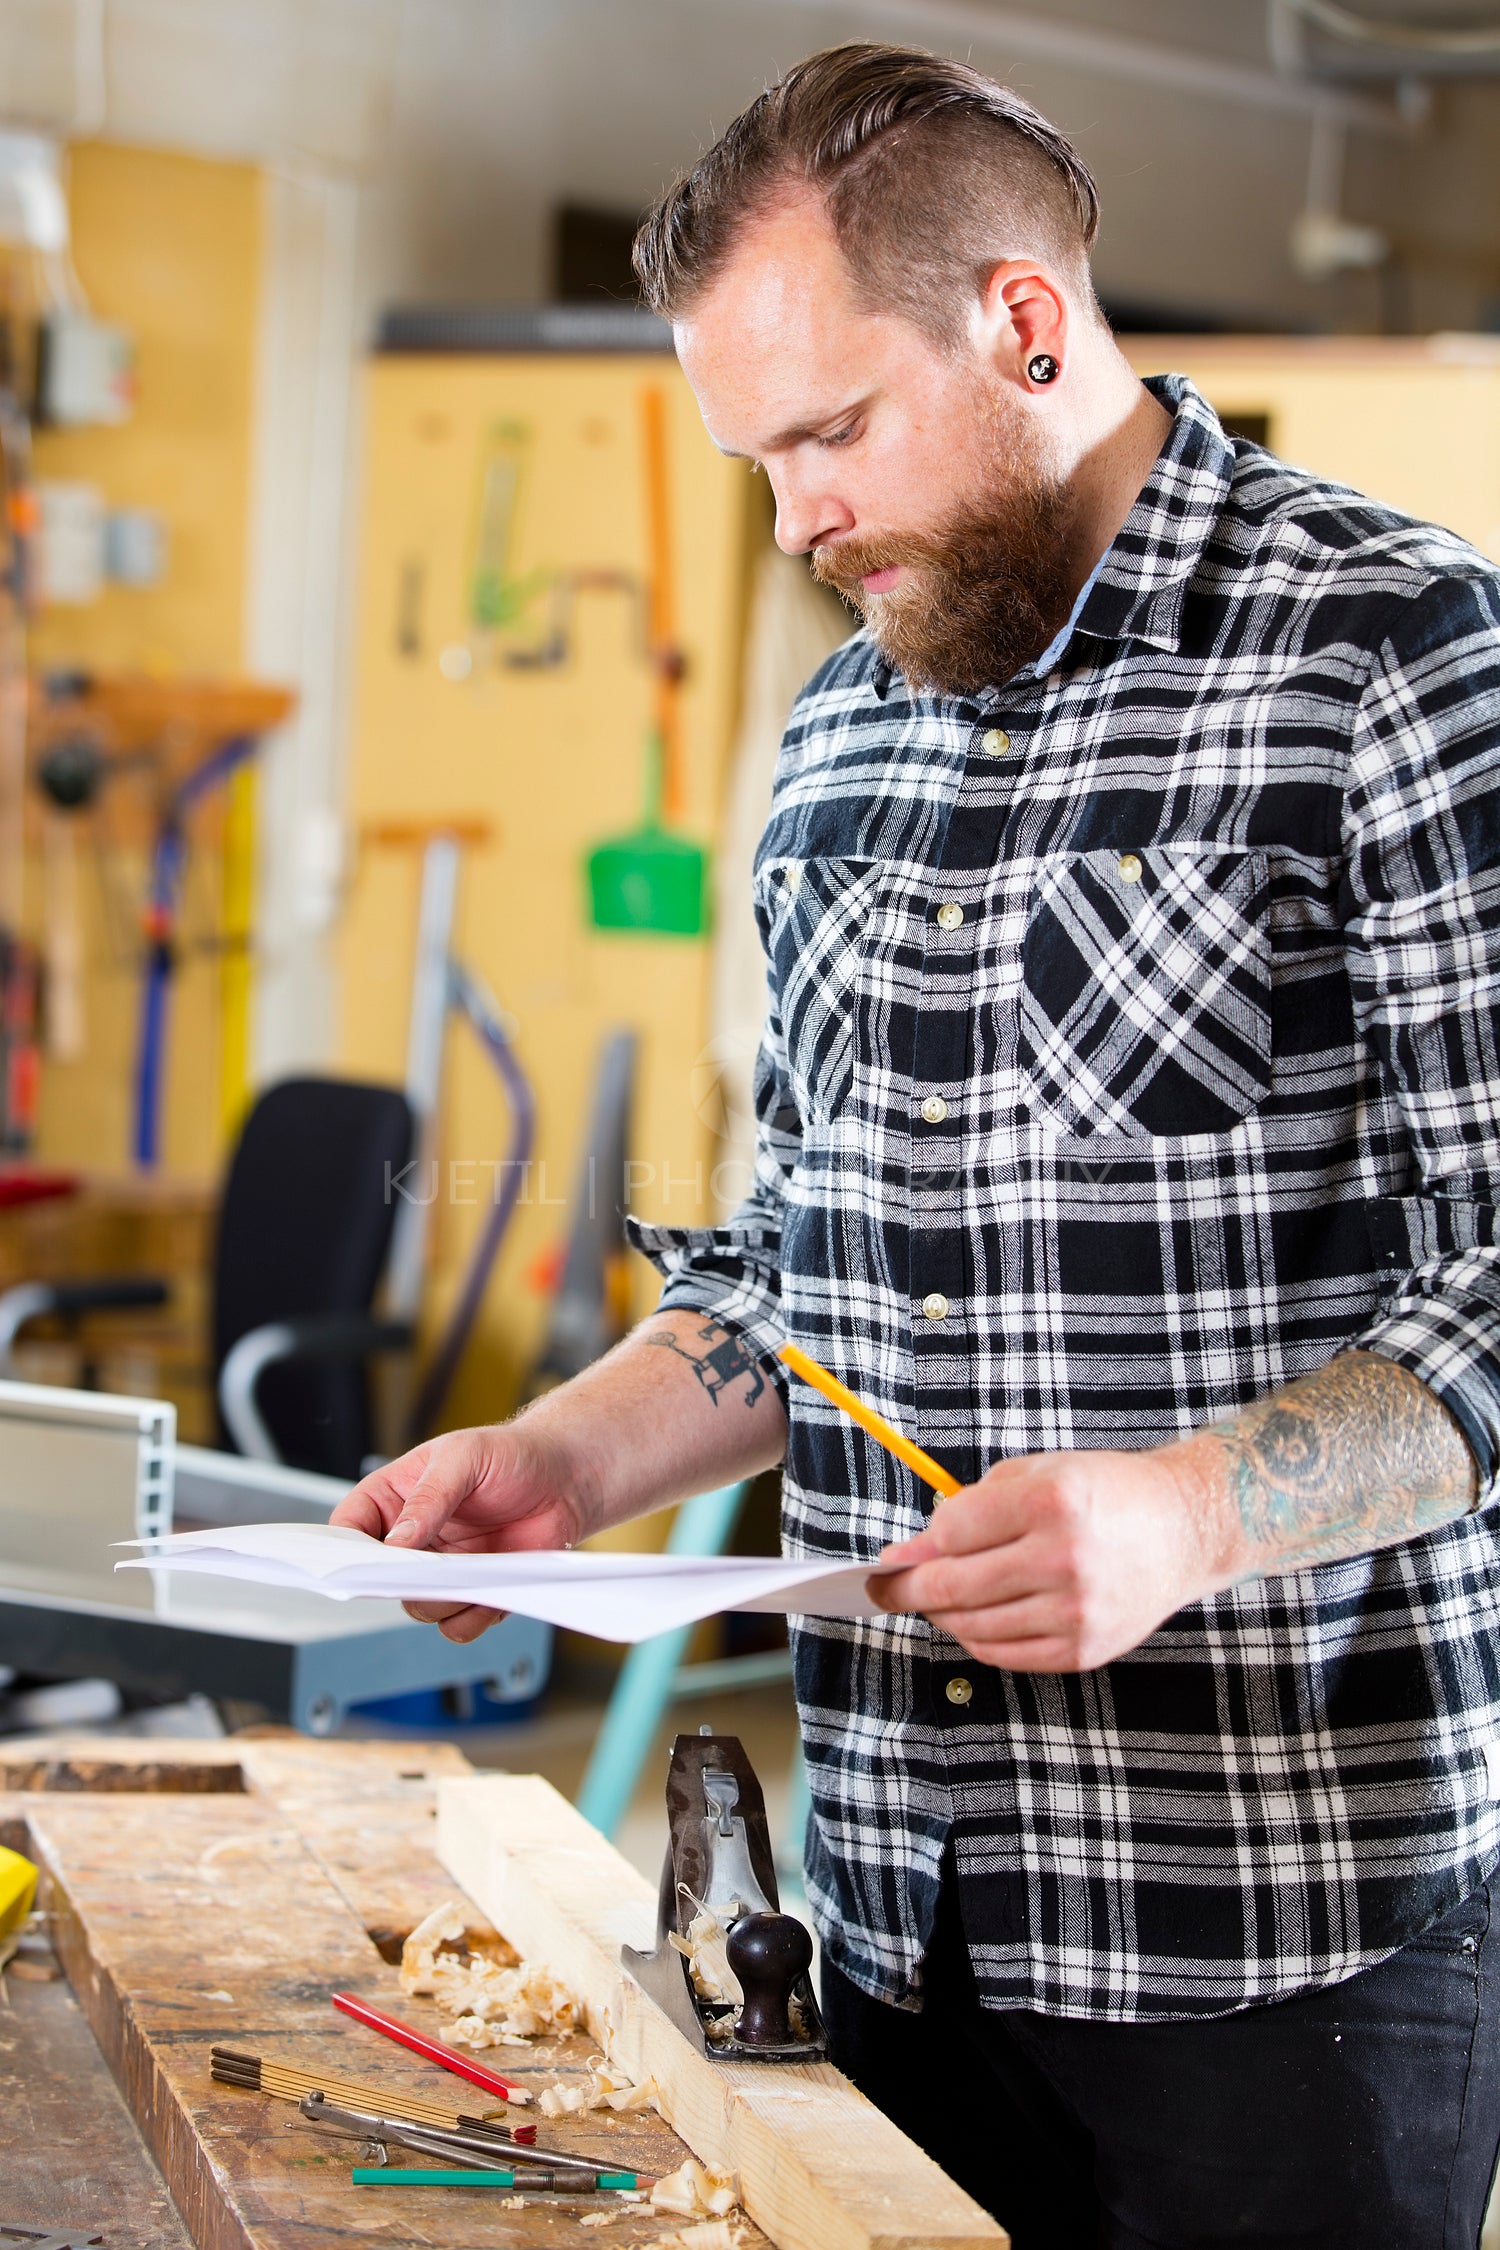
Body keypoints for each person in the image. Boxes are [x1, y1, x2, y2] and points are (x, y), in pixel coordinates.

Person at [333, 45, 1500, 2247]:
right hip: (887, 1918)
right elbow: (805, 1260)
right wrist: (568, 1462)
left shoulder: (1391, 653)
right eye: (756, 458)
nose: (794, 520)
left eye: (832, 433)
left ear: (1025, 324)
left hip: (1277, 1952)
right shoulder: (843, 733)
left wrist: (1190, 1513)